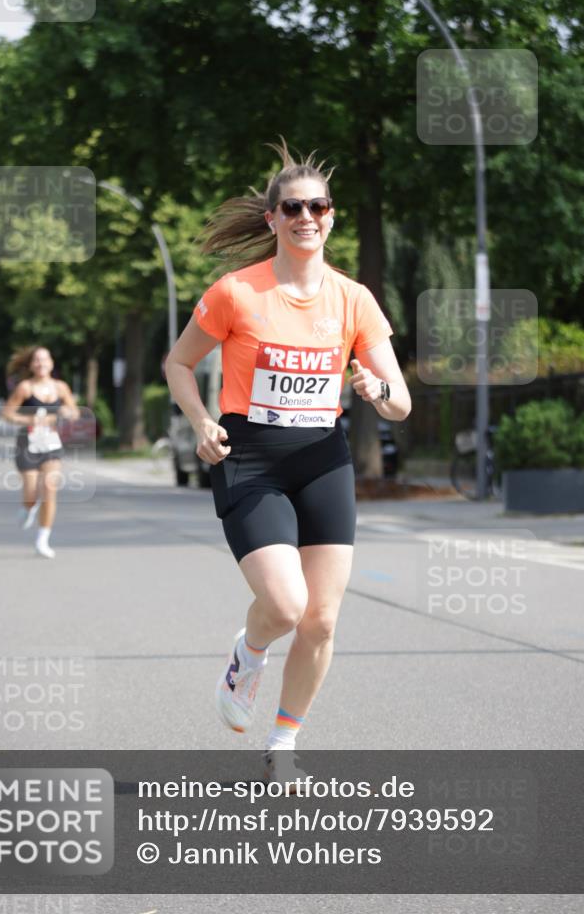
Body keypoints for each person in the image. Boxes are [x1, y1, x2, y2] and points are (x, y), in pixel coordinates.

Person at [165, 140, 411, 784]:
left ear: (332, 217)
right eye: (294, 207)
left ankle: (283, 742)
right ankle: (246, 659)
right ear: (272, 218)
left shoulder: (354, 299)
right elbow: (178, 362)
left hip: (321, 458)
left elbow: (401, 402)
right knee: (283, 605)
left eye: (319, 206)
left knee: (322, 618)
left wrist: (376, 390)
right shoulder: (235, 292)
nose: (308, 216)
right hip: (249, 457)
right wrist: (201, 423)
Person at [3, 346, 79, 558]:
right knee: (31, 494)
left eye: (45, 359)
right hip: (27, 443)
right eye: (37, 360)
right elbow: (8, 413)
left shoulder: (61, 388)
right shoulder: (25, 388)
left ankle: (43, 539)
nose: (41, 363)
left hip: (51, 443)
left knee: (49, 487)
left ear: (52, 363)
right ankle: (28, 508)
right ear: (31, 365)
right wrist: (29, 419)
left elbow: (74, 411)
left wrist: (68, 412)